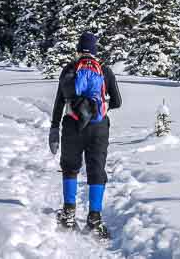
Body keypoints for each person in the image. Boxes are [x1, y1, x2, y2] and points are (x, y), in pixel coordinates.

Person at [49, 32, 122, 238]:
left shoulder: (69, 69)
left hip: (72, 126)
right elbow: (117, 102)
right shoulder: (105, 71)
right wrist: (100, 106)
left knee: (70, 168)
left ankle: (69, 214)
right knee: (96, 169)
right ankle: (95, 218)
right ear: (95, 51)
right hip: (99, 127)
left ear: (79, 49)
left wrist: (55, 127)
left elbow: (59, 102)